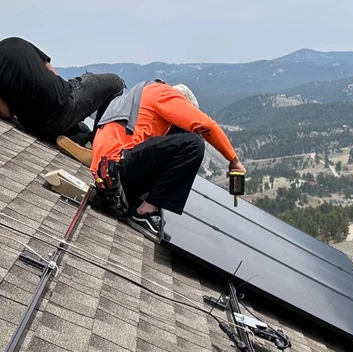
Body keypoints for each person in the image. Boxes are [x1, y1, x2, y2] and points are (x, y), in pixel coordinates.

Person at [91, 80, 245, 237]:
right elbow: (207, 126)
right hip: (116, 171)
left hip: (109, 174)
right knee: (193, 143)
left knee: (178, 138)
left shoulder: (145, 95)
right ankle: (144, 213)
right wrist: (233, 160)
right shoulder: (164, 94)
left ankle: (141, 199)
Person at [0, 37, 124, 166]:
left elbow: (5, 112)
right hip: (62, 104)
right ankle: (100, 149)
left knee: (82, 130)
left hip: (39, 127)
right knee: (116, 82)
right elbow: (53, 72)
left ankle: (80, 141)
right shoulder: (12, 41)